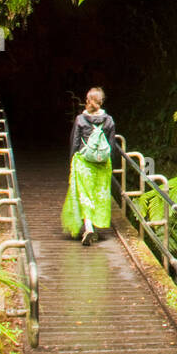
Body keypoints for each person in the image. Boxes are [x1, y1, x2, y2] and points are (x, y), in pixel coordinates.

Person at [61, 87, 117, 244]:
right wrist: (110, 163)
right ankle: (95, 227)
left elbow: (75, 143)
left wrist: (72, 161)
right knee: (99, 195)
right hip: (102, 164)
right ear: (101, 101)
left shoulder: (80, 120)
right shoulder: (109, 120)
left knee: (85, 195)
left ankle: (89, 227)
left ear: (87, 101)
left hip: (84, 162)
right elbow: (111, 145)